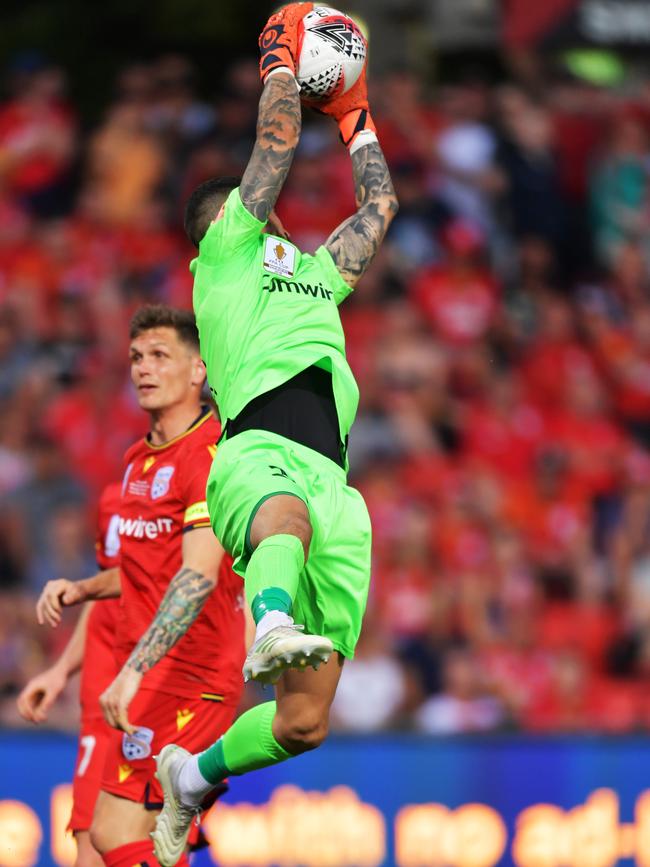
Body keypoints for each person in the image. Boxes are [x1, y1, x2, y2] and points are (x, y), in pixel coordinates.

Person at [152, 5, 398, 863]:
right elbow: (275, 151)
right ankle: (269, 619)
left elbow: (381, 204)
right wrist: (281, 67)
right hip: (257, 452)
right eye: (253, 212)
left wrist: (357, 111)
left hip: (334, 480)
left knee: (304, 722)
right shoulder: (224, 258)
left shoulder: (316, 278)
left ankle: (195, 776)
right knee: (281, 517)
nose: (271, 214)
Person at [35, 304, 247, 867]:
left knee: (116, 831)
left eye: (160, 356)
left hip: (192, 673)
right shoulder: (136, 461)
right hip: (157, 673)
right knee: (126, 835)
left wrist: (129, 673)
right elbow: (142, 571)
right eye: (135, 357)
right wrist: (82, 589)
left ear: (199, 370)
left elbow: (197, 576)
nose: (143, 369)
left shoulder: (209, 455)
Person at [17, 482, 122, 867]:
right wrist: (60, 671)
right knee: (89, 842)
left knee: (154, 846)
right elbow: (106, 596)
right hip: (103, 686)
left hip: (158, 692)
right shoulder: (116, 497)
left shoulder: (204, 494)